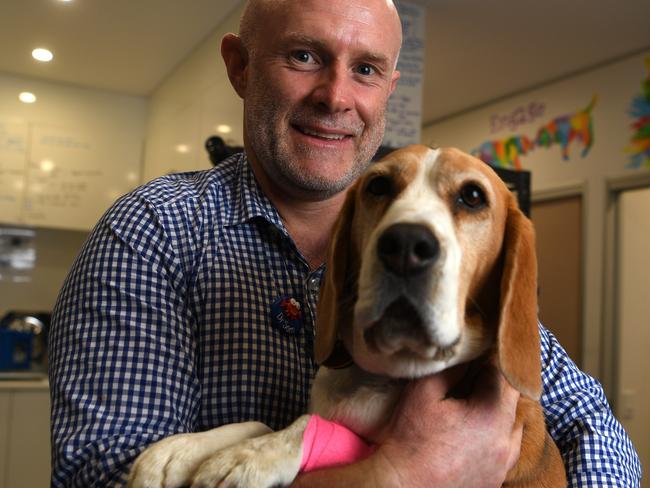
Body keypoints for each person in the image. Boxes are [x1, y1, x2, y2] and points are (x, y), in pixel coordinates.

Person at [48, 0, 641, 486]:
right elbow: (98, 476)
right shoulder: (152, 231)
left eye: (365, 69)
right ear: (240, 66)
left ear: (389, 87)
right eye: (304, 55)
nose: (336, 96)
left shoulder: (459, 265)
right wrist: (404, 473)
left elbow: (591, 426)